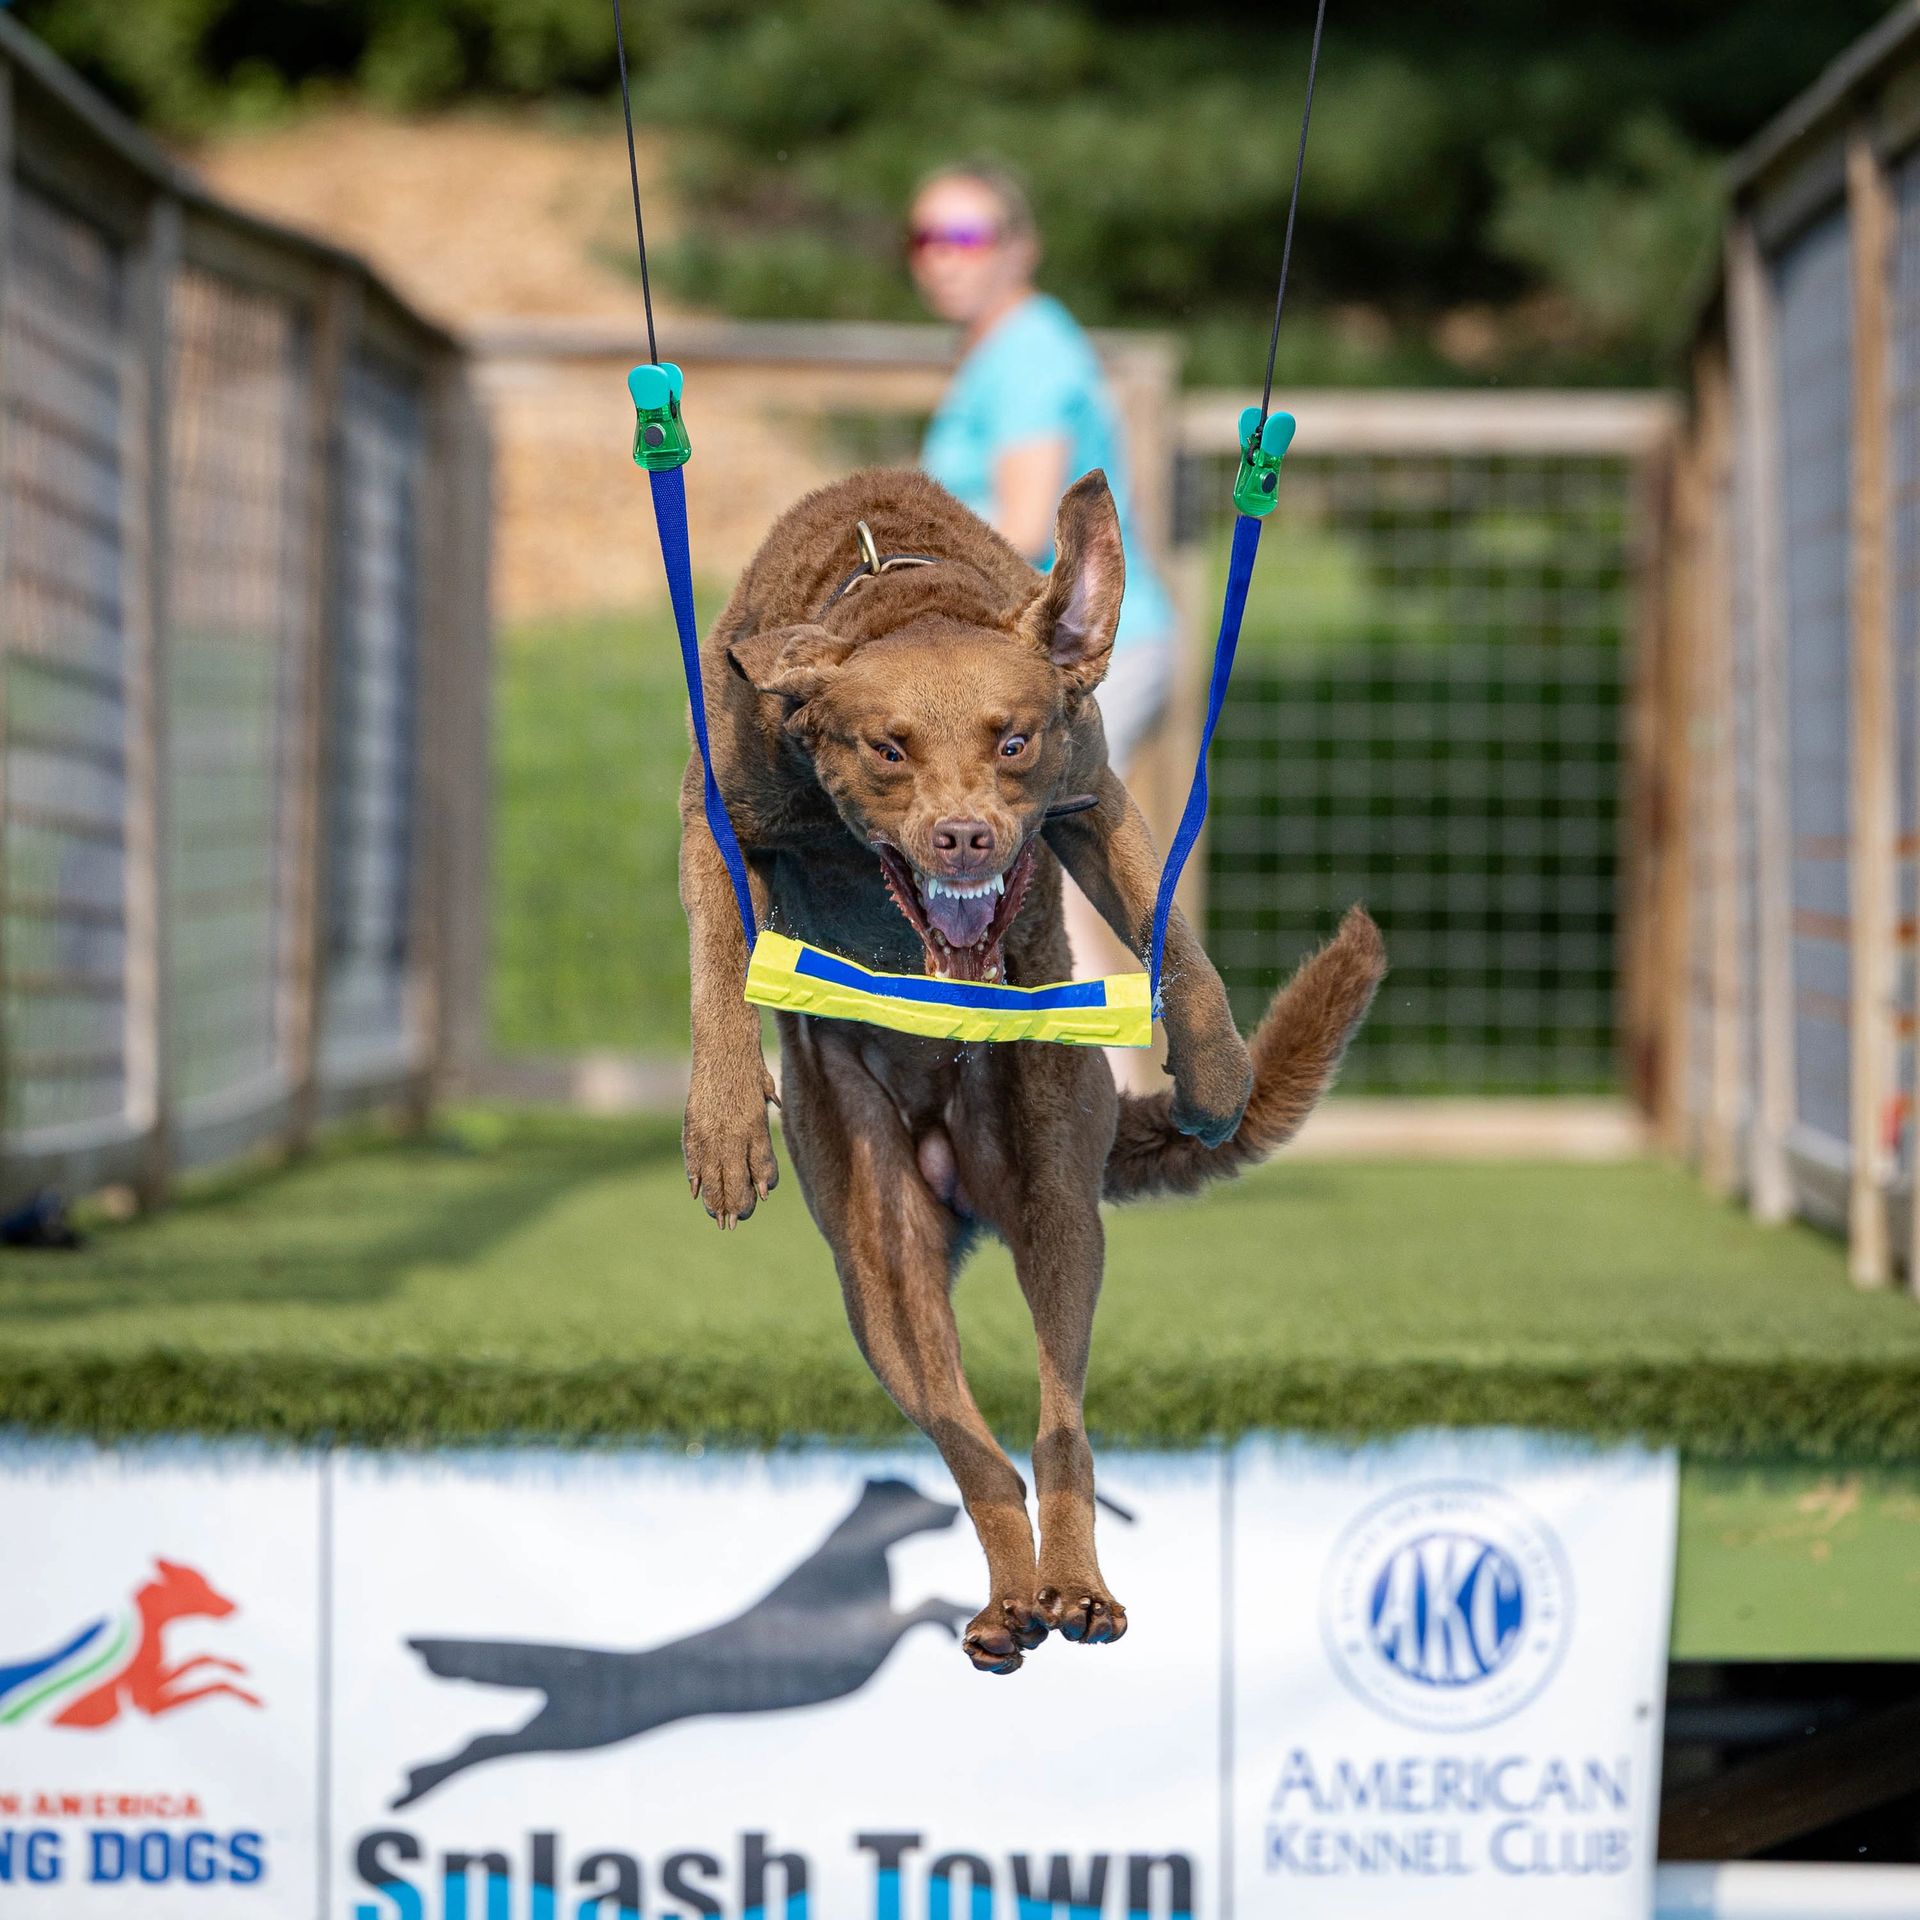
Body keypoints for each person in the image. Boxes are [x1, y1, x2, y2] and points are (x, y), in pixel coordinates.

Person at [908, 160, 1177, 1063]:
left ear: (1020, 247)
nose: (944, 257)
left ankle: (1124, 1089)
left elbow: (1024, 523)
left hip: (1083, 651)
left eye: (968, 235)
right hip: (1057, 650)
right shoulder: (1003, 348)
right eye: (928, 238)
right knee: (1053, 868)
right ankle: (1113, 1084)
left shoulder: (1024, 352)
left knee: (1066, 870)